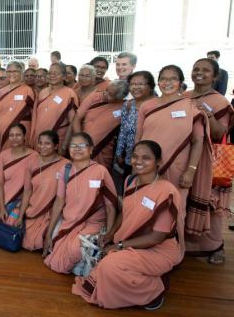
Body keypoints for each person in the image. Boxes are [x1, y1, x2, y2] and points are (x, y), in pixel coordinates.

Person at [72, 140, 184, 310]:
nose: (138, 161)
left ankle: (154, 291)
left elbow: (157, 237)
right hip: (132, 244)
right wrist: (110, 234)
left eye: (146, 158)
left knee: (110, 266)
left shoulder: (166, 191)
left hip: (157, 250)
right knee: (103, 265)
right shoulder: (130, 181)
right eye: (135, 156)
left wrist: (119, 245)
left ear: (159, 162)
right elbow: (125, 213)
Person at [136, 65, 209, 235]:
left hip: (178, 169)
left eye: (172, 79)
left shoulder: (190, 106)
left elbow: (198, 141)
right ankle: (146, 248)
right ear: (158, 82)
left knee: (175, 207)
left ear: (181, 83)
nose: (167, 83)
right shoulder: (147, 106)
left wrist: (190, 171)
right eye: (163, 79)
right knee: (147, 205)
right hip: (148, 168)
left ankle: (173, 249)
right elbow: (139, 138)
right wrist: (136, 164)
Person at [43, 132, 118, 274]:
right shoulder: (65, 170)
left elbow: (110, 206)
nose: (77, 148)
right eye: (73, 145)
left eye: (82, 145)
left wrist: (108, 235)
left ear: (90, 149)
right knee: (53, 239)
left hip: (93, 224)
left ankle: (84, 260)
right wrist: (48, 233)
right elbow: (59, 201)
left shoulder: (100, 171)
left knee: (73, 250)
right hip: (69, 222)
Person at [184, 58, 234, 264]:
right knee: (188, 199)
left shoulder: (220, 101)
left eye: (205, 70)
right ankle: (189, 244)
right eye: (196, 69)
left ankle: (215, 246)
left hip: (212, 161)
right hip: (187, 156)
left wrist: (210, 116)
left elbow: (220, 132)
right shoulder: (184, 96)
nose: (199, 73)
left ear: (214, 76)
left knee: (212, 205)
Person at [0, 124, 38, 241]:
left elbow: (31, 187)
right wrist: (2, 207)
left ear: (24, 137)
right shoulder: (3, 155)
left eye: (18, 135)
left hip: (21, 200)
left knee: (11, 222)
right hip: (3, 198)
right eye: (11, 135)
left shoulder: (34, 156)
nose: (14, 138)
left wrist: (22, 209)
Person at [21, 130, 68, 251]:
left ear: (56, 146)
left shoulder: (66, 165)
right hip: (33, 210)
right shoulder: (31, 162)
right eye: (40, 143)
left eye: (47, 143)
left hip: (54, 213)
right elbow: (27, 191)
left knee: (53, 239)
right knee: (24, 238)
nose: (43, 146)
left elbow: (64, 197)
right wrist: (20, 216)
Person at [73, 80, 128, 170]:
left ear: (121, 98)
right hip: (83, 145)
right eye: (106, 90)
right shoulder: (95, 97)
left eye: (111, 95)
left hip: (104, 149)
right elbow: (76, 118)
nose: (106, 94)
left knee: (99, 177)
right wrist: (79, 141)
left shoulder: (124, 106)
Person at [115, 71, 156, 181]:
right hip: (130, 157)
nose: (135, 87)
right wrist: (119, 153)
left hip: (150, 159)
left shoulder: (158, 105)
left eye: (140, 84)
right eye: (132, 84)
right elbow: (123, 130)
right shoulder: (128, 104)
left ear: (151, 86)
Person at [31, 62, 78, 154]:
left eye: (56, 73)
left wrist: (65, 144)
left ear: (64, 77)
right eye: (50, 73)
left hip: (57, 139)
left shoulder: (70, 94)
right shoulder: (43, 92)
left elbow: (73, 122)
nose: (52, 75)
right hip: (39, 139)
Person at [0, 61, 35, 150]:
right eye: (9, 71)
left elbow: (34, 115)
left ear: (21, 73)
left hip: (21, 133)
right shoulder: (1, 91)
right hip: (3, 131)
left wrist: (32, 136)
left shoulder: (28, 90)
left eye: (15, 71)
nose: (11, 74)